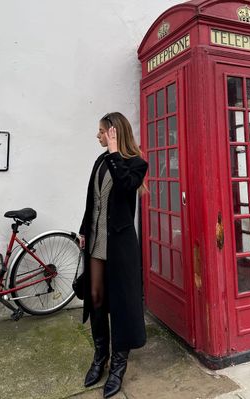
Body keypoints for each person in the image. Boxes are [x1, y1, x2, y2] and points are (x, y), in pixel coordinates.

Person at [79, 112, 148, 398]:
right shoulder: (100, 161)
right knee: (95, 297)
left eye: (101, 131)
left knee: (120, 304)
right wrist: (84, 229)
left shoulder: (135, 163)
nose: (97, 136)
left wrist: (115, 152)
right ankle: (100, 358)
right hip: (96, 241)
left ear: (113, 133)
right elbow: (92, 199)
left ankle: (118, 366)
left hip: (119, 245)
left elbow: (125, 186)